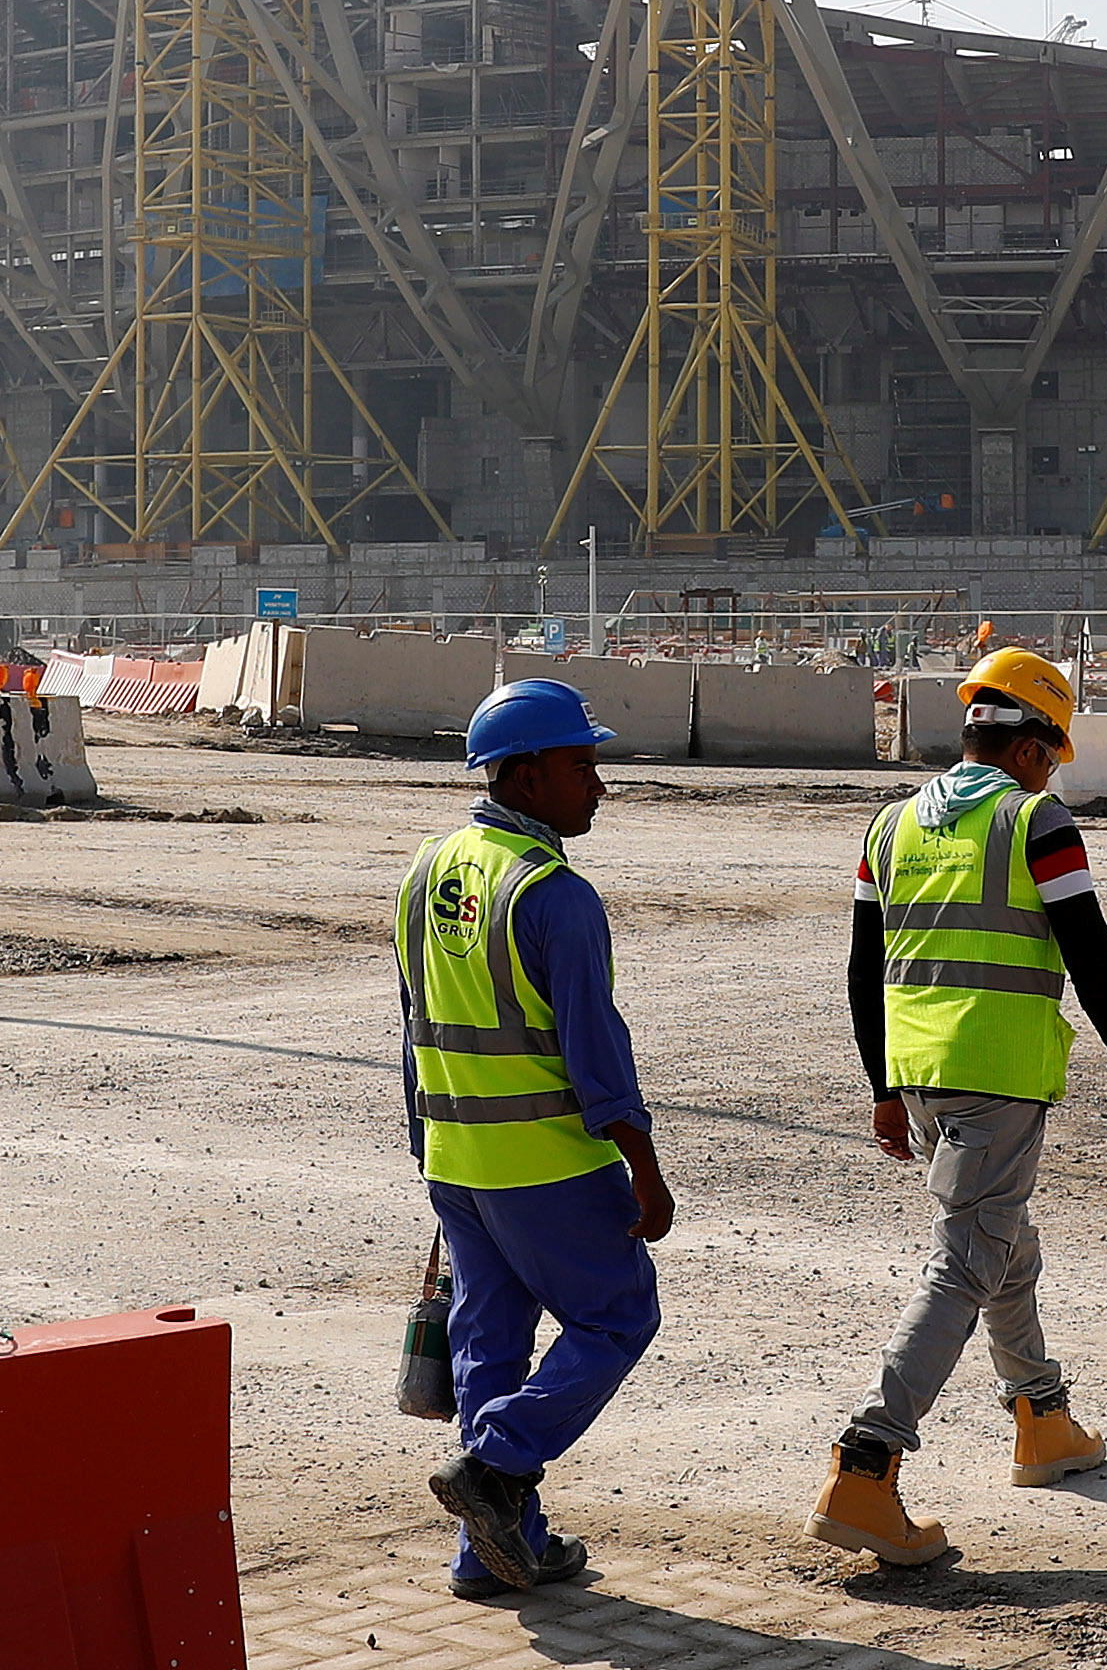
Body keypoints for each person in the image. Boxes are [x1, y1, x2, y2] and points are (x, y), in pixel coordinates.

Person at [812, 647, 1107, 1567]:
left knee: (1002, 1242)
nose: (1052, 773)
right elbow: (1092, 952)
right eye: (1053, 756)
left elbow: (864, 970)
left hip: (920, 1071)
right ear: (1028, 749)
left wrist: (882, 1089)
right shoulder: (1033, 821)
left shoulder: (889, 825)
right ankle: (867, 1463)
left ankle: (1040, 1418)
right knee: (966, 1262)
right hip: (998, 1073)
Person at [398, 679, 675, 1599]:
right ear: (522, 776)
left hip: (458, 1162)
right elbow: (598, 1052)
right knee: (617, 1316)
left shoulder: (426, 872)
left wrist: (430, 1158)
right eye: (580, 766)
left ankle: (491, 1554)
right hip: (547, 1163)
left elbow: (414, 1030)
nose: (597, 785)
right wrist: (644, 1169)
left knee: (491, 1344)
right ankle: (498, 1465)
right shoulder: (554, 895)